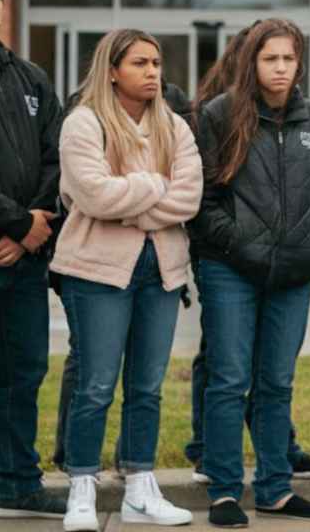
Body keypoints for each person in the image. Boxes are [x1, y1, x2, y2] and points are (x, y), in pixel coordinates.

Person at [191, 18, 310, 527]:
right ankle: (224, 492)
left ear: (300, 62)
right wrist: (242, 245)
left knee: (277, 381)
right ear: (251, 62)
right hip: (230, 269)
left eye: (288, 58)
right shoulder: (218, 115)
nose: (280, 68)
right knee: (229, 379)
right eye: (269, 59)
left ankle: (276, 489)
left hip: (295, 272)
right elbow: (204, 202)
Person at [52, 29, 202, 531]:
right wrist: (153, 186)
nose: (154, 72)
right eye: (140, 63)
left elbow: (190, 198)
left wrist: (132, 203)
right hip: (96, 272)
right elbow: (92, 195)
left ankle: (140, 487)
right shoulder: (83, 123)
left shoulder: (175, 127)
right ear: (112, 70)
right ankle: (81, 489)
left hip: (160, 271)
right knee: (95, 385)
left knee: (147, 386)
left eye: (157, 62)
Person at [0, 0, 66, 519]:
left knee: (22, 376)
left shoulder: (31, 78)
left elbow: (58, 160)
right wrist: (15, 223)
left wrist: (34, 228)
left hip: (25, 258)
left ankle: (18, 486)